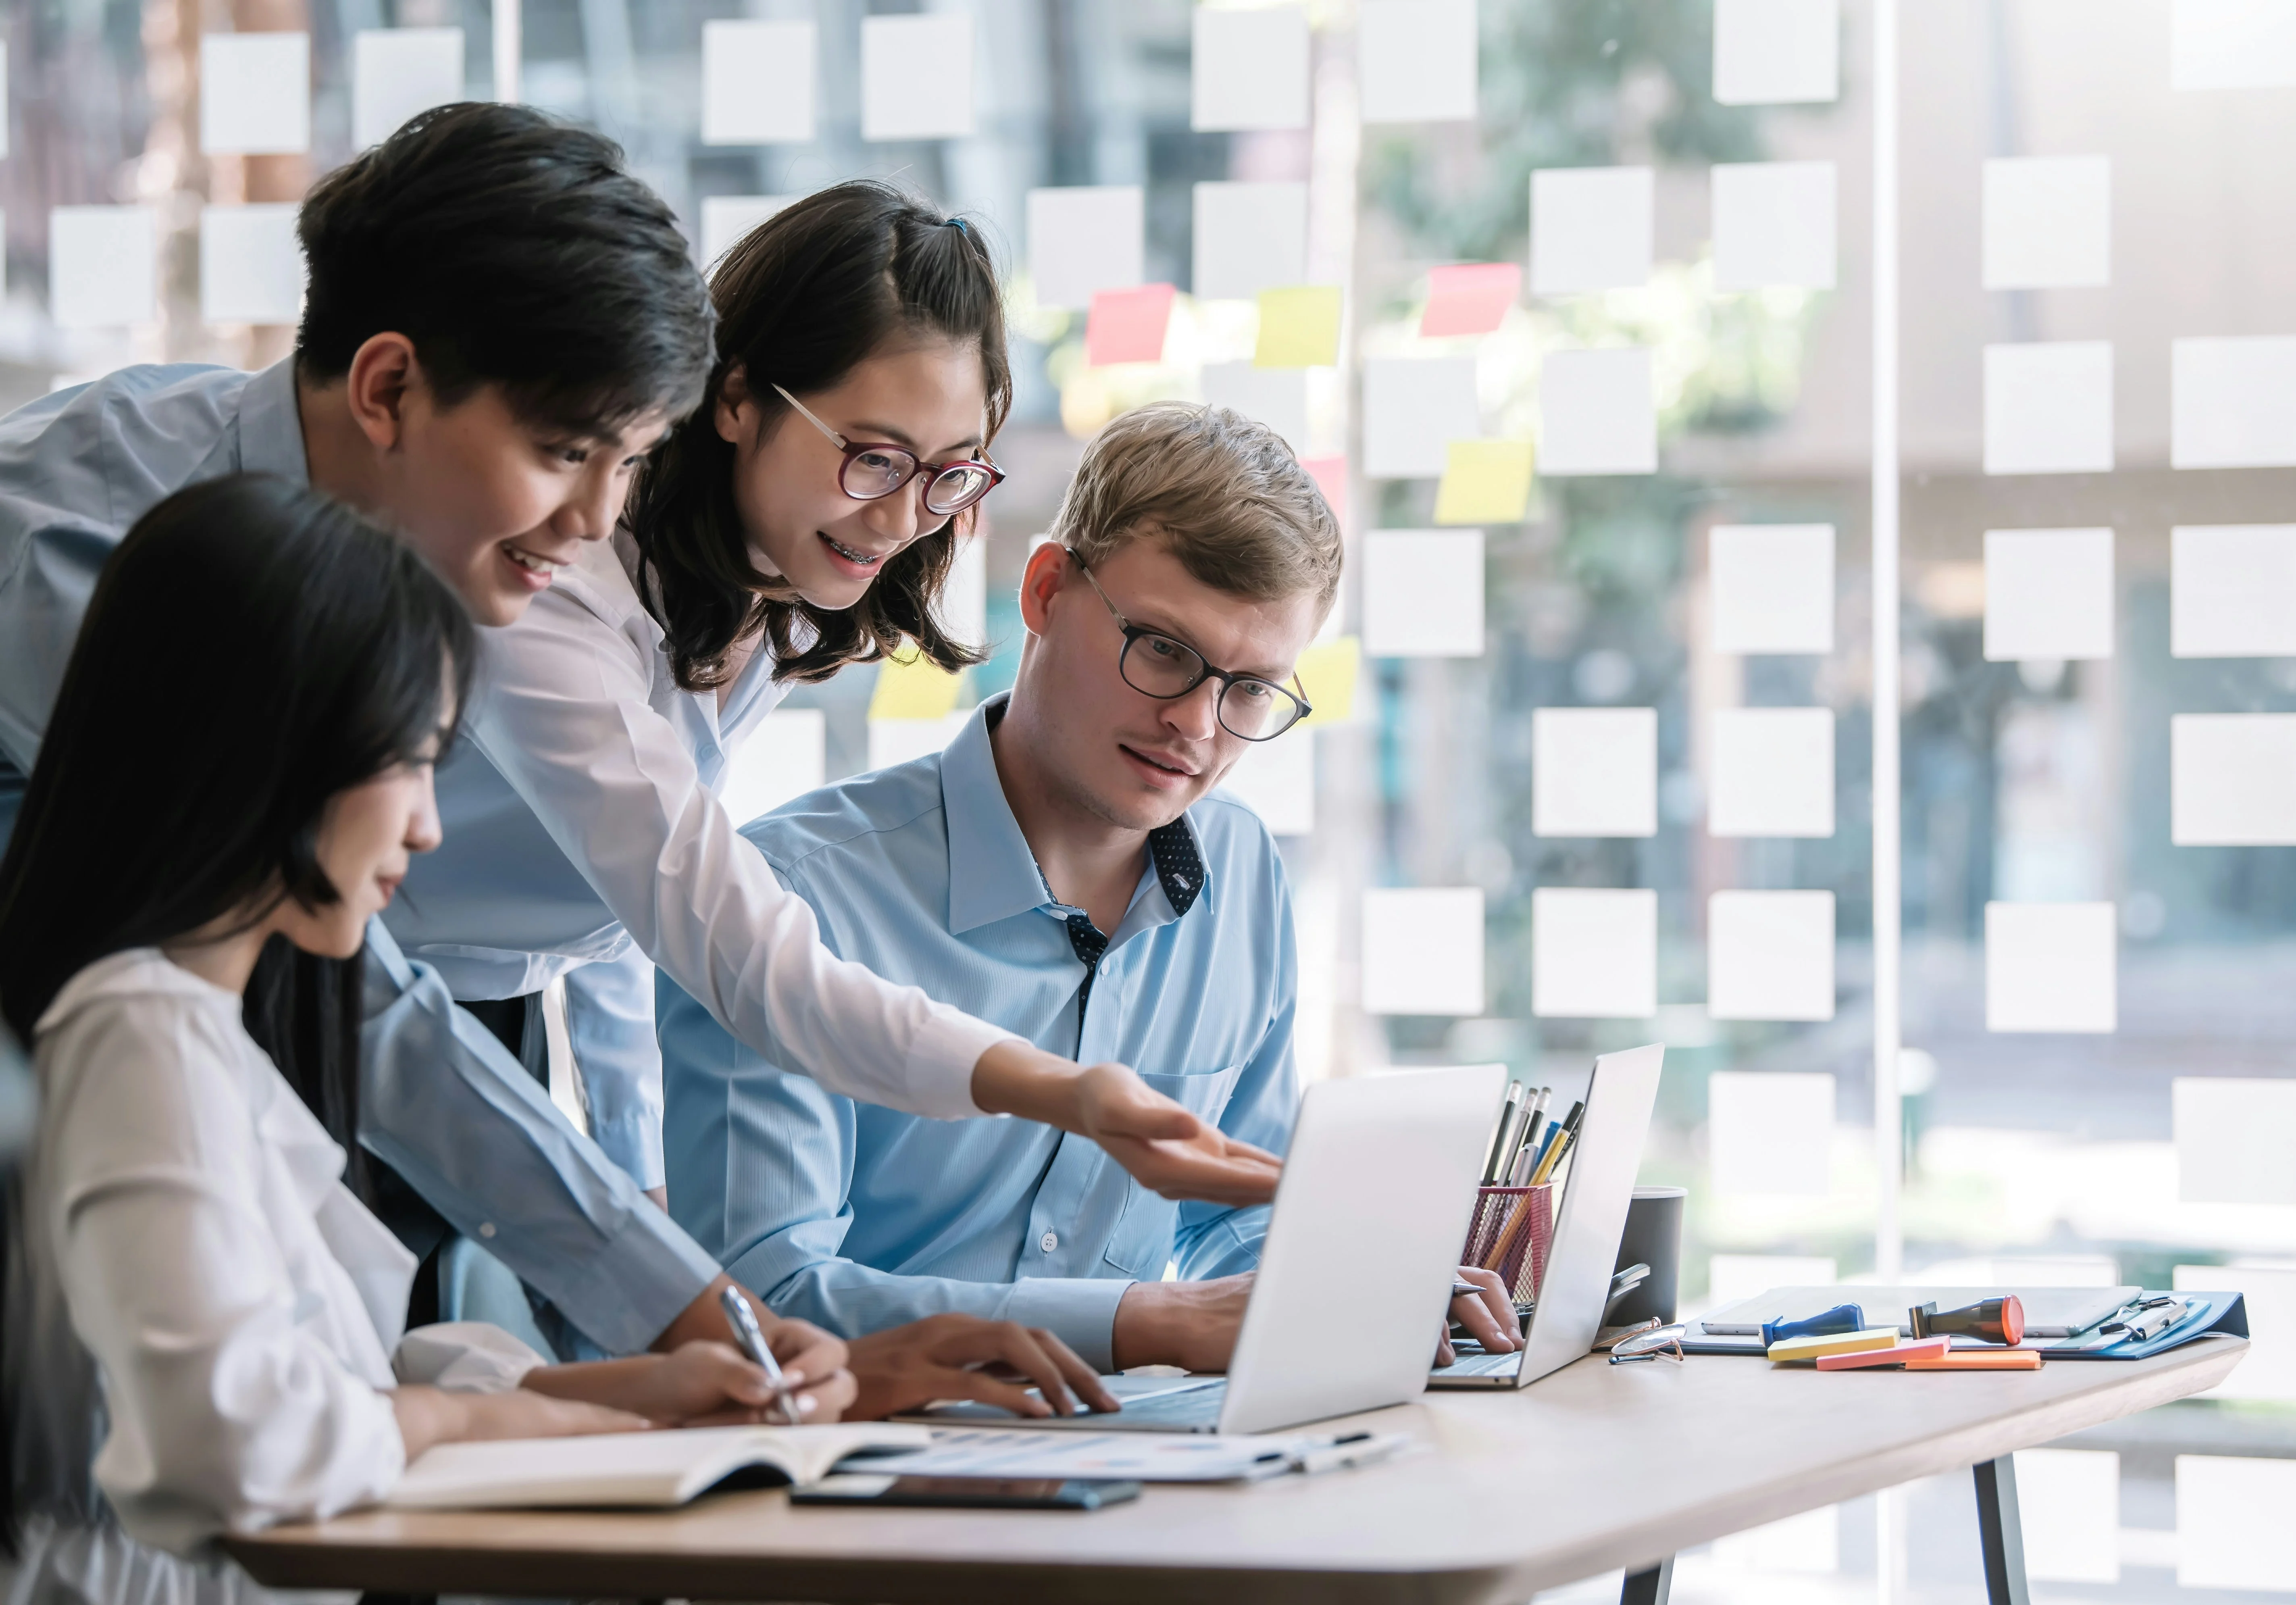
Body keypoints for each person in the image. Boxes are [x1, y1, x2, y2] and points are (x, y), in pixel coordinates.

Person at [0, 110, 1267, 1376]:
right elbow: (644, 946)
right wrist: (1055, 1095)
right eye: (566, 454)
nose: (591, 520)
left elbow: (587, 928)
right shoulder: (93, 552)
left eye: (947, 474)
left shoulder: (677, 586)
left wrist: (687, 1293)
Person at [0, 477, 841, 1602]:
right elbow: (243, 1436)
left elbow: (336, 1374)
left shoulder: (202, 1036)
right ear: (275, 743)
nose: (430, 827)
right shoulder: (137, 1033)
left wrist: (640, 1394)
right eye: (409, 760)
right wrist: (466, 1414)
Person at [662, 404, 1522, 1398]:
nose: (1195, 726)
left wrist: (1346, 1282)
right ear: (1043, 590)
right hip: (846, 1488)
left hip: (1132, 1469)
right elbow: (757, 1306)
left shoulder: (1238, 869)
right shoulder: (783, 896)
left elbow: (1228, 1210)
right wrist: (1143, 1320)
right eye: (1161, 650)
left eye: (1249, 690)